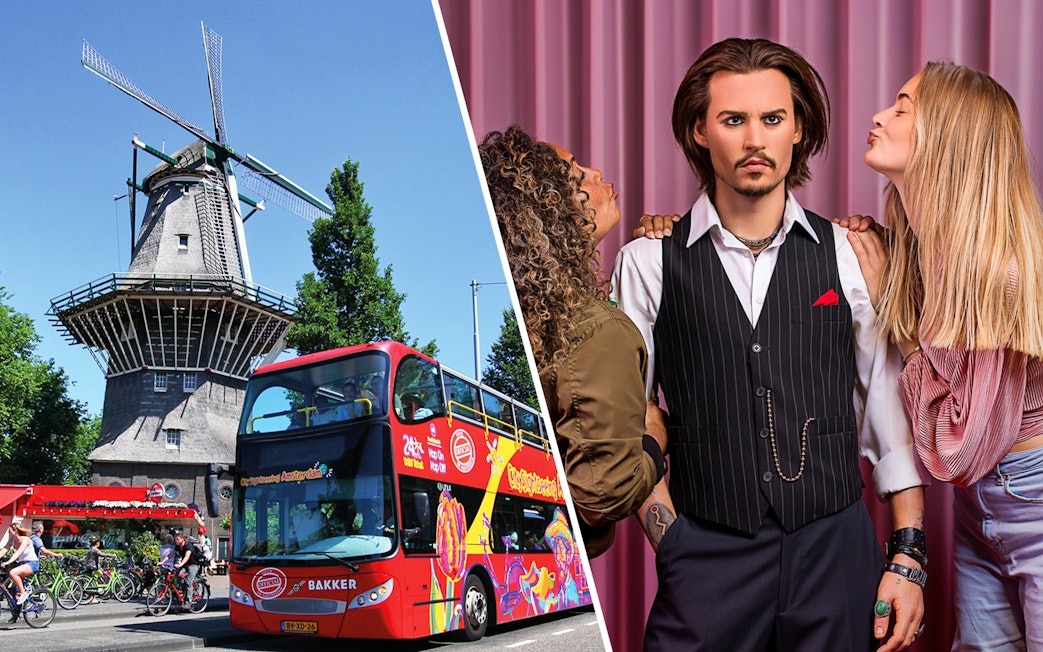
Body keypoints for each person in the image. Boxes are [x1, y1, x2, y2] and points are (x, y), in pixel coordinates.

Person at [611, 38, 929, 651]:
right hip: (706, 559)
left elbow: (887, 411)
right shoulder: (647, 262)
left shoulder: (849, 254)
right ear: (700, 131)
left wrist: (908, 553)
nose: (755, 139)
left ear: (797, 129)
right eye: (733, 120)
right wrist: (671, 542)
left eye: (773, 119)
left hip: (836, 553)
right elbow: (628, 419)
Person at [852, 61, 1043, 651]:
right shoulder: (925, 251)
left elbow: (957, 452)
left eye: (903, 109)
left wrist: (903, 330)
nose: (879, 116)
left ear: (949, 138)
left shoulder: (999, 273)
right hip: (978, 510)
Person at [479, 124, 668, 558]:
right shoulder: (595, 331)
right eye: (578, 175)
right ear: (553, 212)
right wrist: (655, 433)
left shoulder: (541, 315)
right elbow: (604, 496)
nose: (598, 174)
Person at [0, 524, 38, 619]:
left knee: (13, 572)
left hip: (32, 564)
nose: (8, 533)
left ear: (15, 531)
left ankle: (23, 593)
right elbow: (3, 550)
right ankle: (16, 613)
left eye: (9, 531)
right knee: (13, 591)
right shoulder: (11, 540)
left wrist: (8, 562)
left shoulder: (25, 540)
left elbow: (18, 553)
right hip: (22, 565)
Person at [172, 532, 202, 609]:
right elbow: (170, 554)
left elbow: (187, 557)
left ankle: (188, 602)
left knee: (188, 581)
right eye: (175, 539)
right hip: (185, 565)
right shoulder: (178, 546)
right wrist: (162, 562)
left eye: (177, 539)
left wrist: (180, 565)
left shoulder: (188, 546)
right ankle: (183, 592)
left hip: (193, 565)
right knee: (177, 575)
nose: (176, 541)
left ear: (182, 539)